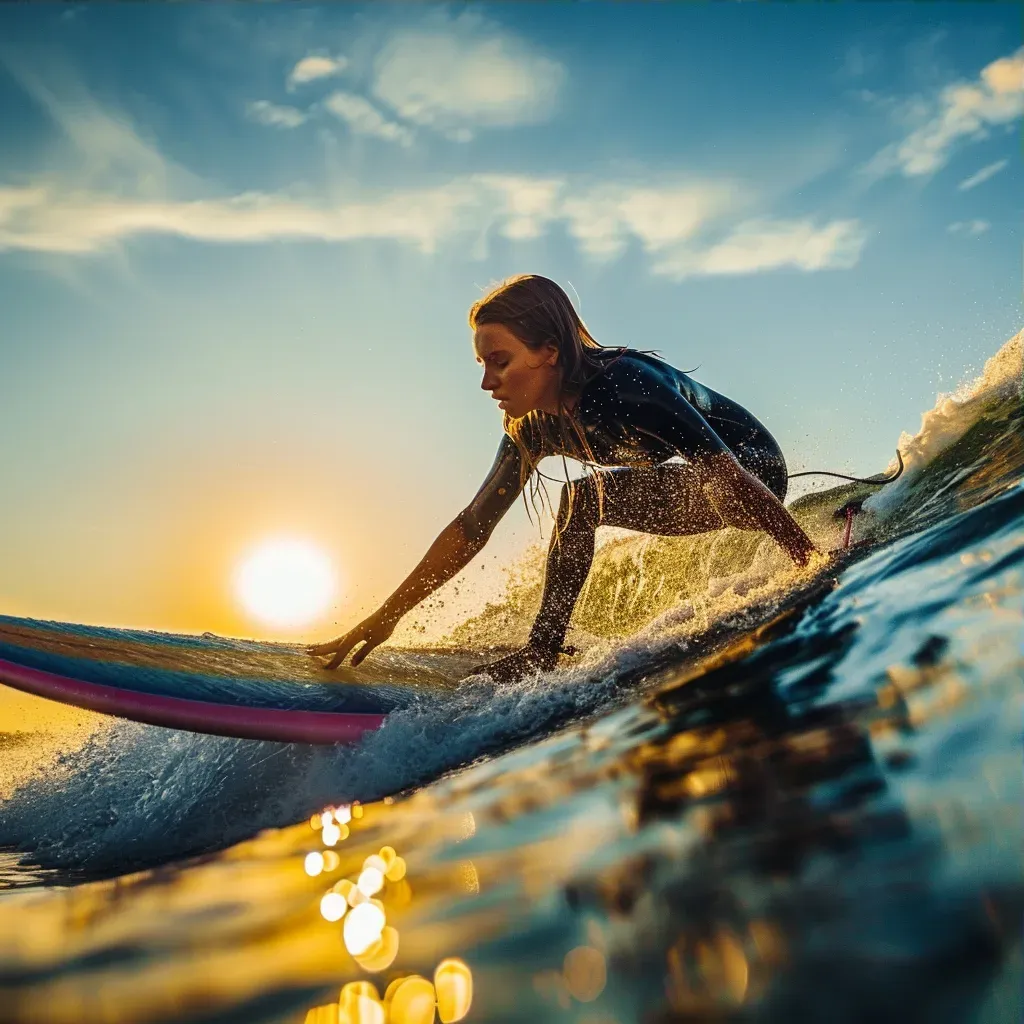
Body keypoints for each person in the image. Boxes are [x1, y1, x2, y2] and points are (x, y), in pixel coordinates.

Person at [309, 274, 817, 683]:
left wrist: (809, 564)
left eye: (500, 361)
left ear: (548, 352)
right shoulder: (534, 425)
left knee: (581, 498)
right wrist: (388, 615)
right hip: (699, 484)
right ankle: (544, 649)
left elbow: (726, 473)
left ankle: (541, 650)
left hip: (753, 472)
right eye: (483, 364)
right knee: (582, 501)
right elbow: (472, 527)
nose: (487, 382)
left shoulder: (629, 385)